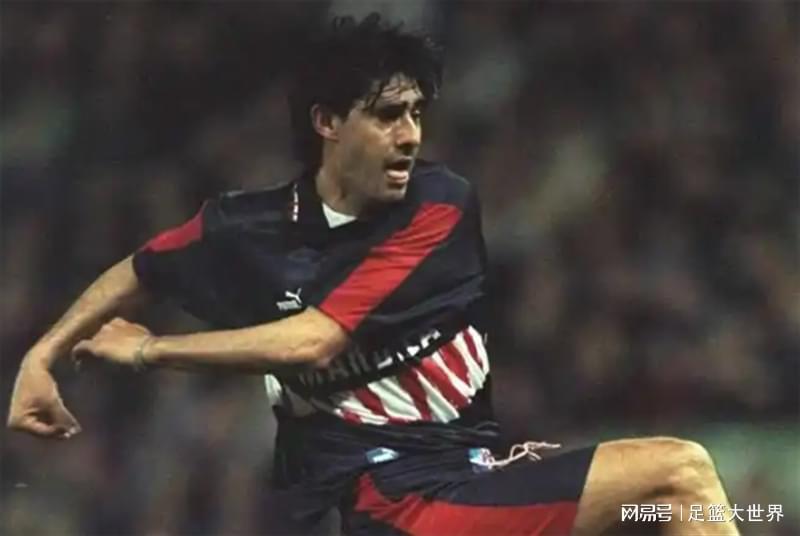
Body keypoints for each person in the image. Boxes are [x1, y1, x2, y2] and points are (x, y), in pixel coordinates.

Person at [8, 13, 740, 536]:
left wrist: (148, 350)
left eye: (418, 113)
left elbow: (312, 342)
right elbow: (141, 267)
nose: (411, 135)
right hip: (394, 500)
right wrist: (42, 357)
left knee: (661, 506)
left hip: (467, 478)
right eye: (389, 115)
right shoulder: (243, 226)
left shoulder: (439, 207)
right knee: (680, 474)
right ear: (327, 122)